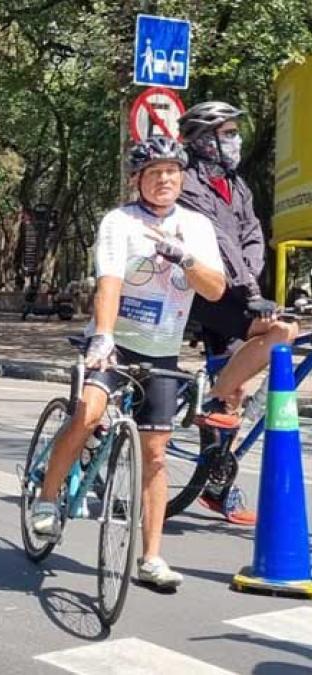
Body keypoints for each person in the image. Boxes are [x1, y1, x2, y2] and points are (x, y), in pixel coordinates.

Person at [30, 136, 227, 589]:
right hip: (116, 345)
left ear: (182, 177)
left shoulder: (195, 225)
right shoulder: (120, 222)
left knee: (155, 454)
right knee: (89, 412)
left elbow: (214, 288)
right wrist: (102, 336)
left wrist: (184, 256)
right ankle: (46, 498)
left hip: (163, 351)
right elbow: (111, 283)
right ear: (137, 179)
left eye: (171, 172)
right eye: (154, 172)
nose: (164, 179)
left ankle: (151, 558)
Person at [177, 101, 297, 523]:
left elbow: (250, 235)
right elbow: (216, 242)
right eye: (226, 133)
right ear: (203, 140)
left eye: (234, 132)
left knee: (238, 390)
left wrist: (252, 280)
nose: (234, 141)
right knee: (281, 332)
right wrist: (248, 289)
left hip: (238, 294)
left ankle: (217, 486)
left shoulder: (236, 184)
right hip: (205, 295)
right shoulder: (187, 183)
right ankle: (210, 399)